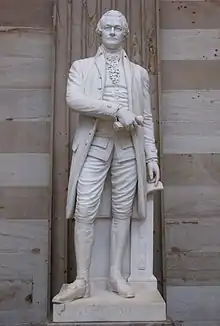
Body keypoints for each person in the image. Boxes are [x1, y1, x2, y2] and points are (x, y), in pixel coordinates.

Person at [52, 9, 160, 304]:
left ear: (126, 33)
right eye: (107, 27)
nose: (112, 32)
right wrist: (115, 110)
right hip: (94, 145)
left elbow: (146, 118)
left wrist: (152, 158)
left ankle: (116, 274)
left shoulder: (138, 73)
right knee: (85, 209)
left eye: (118, 28)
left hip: (128, 148)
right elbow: (74, 99)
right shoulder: (82, 67)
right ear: (98, 32)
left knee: (122, 213)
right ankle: (82, 279)